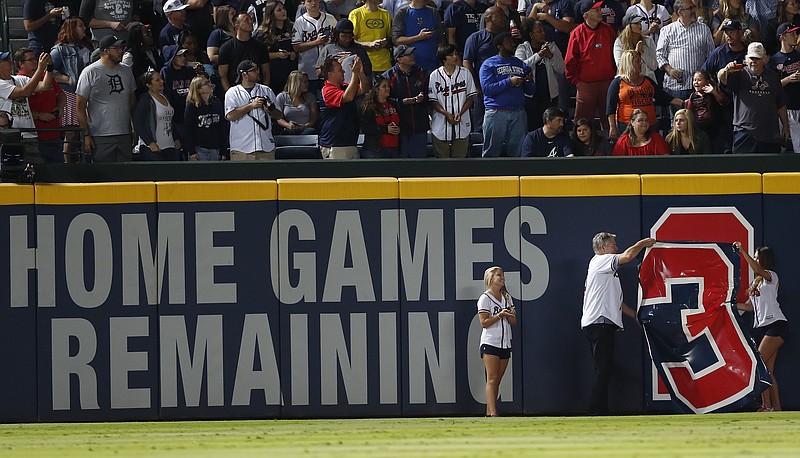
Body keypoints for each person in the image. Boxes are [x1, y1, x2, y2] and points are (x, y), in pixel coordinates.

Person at [581, 232, 655, 415]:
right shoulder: (600, 261)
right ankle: (595, 410)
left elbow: (617, 302)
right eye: (613, 244)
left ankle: (601, 409)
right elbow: (628, 256)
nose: (616, 247)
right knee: (603, 369)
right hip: (600, 322)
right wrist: (644, 242)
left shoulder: (604, 271)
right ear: (603, 248)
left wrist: (633, 315)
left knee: (604, 369)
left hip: (600, 322)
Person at [733, 241, 790, 413]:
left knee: (759, 365)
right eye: (754, 257)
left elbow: (758, 270)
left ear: (764, 260)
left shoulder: (771, 276)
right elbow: (749, 307)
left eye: (757, 258)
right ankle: (776, 410)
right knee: (767, 371)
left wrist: (742, 250)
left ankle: (766, 406)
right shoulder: (756, 282)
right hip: (766, 328)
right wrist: (729, 305)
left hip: (777, 326)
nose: (755, 260)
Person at [718, 42, 790, 154]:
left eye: (757, 58)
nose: (754, 62)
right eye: (751, 58)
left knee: (769, 169)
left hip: (770, 133)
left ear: (764, 59)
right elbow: (722, 79)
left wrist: (785, 126)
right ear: (747, 59)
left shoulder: (773, 77)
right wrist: (726, 70)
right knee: (742, 169)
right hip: (745, 132)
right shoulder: (739, 74)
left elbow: (781, 103)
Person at [76, 35, 136, 162]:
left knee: (126, 175)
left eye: (122, 47)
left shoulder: (126, 71)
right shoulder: (90, 72)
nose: (121, 51)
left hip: (124, 133)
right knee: (104, 175)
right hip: (100, 134)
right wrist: (86, 135)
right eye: (117, 48)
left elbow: (132, 100)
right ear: (106, 51)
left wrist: (132, 128)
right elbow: (80, 107)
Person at [564, 0, 617, 132]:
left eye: (599, 10)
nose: (600, 12)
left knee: (609, 121)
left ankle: (611, 148)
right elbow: (570, 61)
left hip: (608, 83)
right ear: (585, 14)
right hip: (586, 84)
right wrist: (577, 81)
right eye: (596, 10)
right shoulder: (576, 33)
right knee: (583, 122)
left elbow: (616, 55)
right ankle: (581, 149)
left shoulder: (608, 30)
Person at [606, 50, 682, 141]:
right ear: (629, 63)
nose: (640, 63)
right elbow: (610, 107)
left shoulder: (647, 80)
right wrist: (613, 127)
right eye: (637, 61)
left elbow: (663, 97)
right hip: (627, 127)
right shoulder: (617, 83)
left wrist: (683, 103)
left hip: (650, 125)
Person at [656, 0, 715, 117]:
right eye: (690, 8)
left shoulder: (704, 29)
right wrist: (669, 70)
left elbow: (711, 55)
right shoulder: (667, 30)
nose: (694, 10)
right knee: (677, 122)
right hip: (675, 87)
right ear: (680, 12)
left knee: (699, 122)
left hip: (698, 87)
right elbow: (659, 55)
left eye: (694, 7)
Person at [480, 31, 535, 157]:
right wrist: (509, 81)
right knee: (491, 152)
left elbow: (531, 91)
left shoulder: (520, 63)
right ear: (500, 46)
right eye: (508, 41)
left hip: (518, 112)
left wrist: (529, 81)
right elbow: (488, 89)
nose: (513, 43)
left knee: (517, 151)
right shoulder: (489, 64)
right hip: (496, 112)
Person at [0, 50, 54, 165]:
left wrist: (49, 67)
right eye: (5, 60)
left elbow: (45, 86)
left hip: (29, 135)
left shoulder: (19, 80)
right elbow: (24, 92)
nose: (10, 62)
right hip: (10, 137)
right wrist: (40, 69)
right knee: (13, 171)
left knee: (37, 169)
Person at [700, 19, 745, 153]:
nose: (728, 36)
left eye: (732, 32)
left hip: (745, 101)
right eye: (726, 33)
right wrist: (715, 89)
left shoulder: (748, 51)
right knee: (725, 136)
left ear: (740, 33)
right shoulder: (719, 52)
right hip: (725, 102)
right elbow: (704, 72)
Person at [477, 266, 516, 417]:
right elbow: (483, 322)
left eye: (503, 275)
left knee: (498, 380)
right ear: (491, 278)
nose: (502, 278)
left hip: (505, 342)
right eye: (499, 275)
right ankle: (493, 413)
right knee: (492, 378)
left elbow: (514, 321)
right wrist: (499, 315)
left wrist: (509, 315)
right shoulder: (485, 298)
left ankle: (489, 411)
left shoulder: (506, 297)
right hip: (490, 342)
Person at [224, 60, 284, 159]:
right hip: (241, 149)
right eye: (254, 70)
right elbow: (230, 116)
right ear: (244, 74)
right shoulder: (232, 92)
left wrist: (269, 110)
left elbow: (279, 115)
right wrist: (251, 106)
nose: (258, 72)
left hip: (266, 147)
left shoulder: (266, 90)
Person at [51, 16, 90, 162]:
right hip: (70, 93)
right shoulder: (60, 50)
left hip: (85, 92)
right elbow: (49, 72)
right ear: (71, 29)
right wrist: (68, 79)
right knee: (71, 133)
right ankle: (69, 166)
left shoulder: (87, 48)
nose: (84, 28)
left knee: (79, 132)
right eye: (80, 25)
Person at [16, 47, 65, 163]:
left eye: (35, 59)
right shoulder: (18, 82)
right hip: (36, 135)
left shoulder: (45, 76)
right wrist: (38, 115)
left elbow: (60, 94)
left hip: (53, 131)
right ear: (21, 64)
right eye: (31, 60)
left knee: (58, 167)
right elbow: (17, 110)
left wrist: (60, 106)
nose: (35, 62)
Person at [428, 44, 476, 158]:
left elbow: (470, 97)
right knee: (442, 164)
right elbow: (433, 100)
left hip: (462, 122)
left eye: (456, 54)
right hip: (440, 124)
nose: (455, 57)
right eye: (451, 55)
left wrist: (461, 113)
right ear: (443, 58)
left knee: (459, 163)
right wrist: (446, 114)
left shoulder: (465, 73)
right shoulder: (434, 75)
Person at [515, 18, 563, 132]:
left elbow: (562, 68)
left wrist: (550, 56)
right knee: (533, 127)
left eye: (543, 30)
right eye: (539, 31)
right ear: (531, 34)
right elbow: (520, 67)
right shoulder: (522, 48)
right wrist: (539, 55)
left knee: (549, 128)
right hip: (530, 97)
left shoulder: (551, 46)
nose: (543, 33)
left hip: (549, 95)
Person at [382, 45, 429, 158]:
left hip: (419, 126)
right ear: (399, 59)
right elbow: (382, 100)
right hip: (399, 127)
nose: (412, 57)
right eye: (408, 55)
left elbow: (431, 95)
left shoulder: (422, 73)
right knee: (402, 164)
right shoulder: (388, 76)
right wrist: (401, 102)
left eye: (412, 54)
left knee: (419, 164)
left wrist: (423, 97)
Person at [463, 7, 505, 132]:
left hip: (504, 84)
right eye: (500, 15)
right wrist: (475, 84)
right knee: (481, 122)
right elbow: (467, 61)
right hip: (483, 86)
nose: (504, 18)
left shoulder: (506, 37)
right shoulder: (476, 38)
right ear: (489, 18)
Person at [319, 56, 367, 158]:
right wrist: (354, 73)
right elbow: (348, 97)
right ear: (331, 74)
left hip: (350, 142)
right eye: (340, 70)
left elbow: (364, 89)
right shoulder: (327, 91)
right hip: (335, 145)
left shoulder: (344, 86)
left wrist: (360, 74)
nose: (344, 72)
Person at [133, 71, 181, 161]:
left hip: (170, 145)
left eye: (161, 79)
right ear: (149, 85)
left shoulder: (165, 96)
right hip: (153, 148)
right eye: (157, 80)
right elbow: (138, 123)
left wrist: (176, 137)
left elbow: (170, 120)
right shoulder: (146, 100)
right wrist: (150, 143)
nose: (161, 82)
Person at [218, 12, 271, 93]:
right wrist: (230, 93)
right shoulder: (226, 47)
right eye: (246, 20)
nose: (250, 22)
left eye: (251, 19)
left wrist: (264, 90)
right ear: (237, 25)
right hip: (236, 91)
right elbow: (223, 75)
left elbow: (266, 72)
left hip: (258, 90)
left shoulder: (260, 46)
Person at [293, 0, 338, 94]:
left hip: (329, 69)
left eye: (315, 0)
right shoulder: (299, 22)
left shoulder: (330, 19)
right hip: (307, 69)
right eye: (309, 1)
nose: (313, 3)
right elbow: (296, 47)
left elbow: (338, 41)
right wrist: (316, 42)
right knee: (310, 100)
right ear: (303, 3)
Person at [768, 23, 800, 154]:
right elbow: (770, 87)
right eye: (791, 33)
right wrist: (789, 79)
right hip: (782, 109)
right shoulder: (774, 60)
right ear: (782, 37)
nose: (795, 36)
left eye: (795, 33)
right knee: (780, 146)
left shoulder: (798, 55)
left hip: (798, 107)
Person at [255, 1, 298, 95]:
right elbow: (258, 55)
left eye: (284, 9)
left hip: (291, 72)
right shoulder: (263, 32)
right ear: (271, 14)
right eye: (279, 10)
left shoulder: (292, 27)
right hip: (273, 73)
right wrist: (277, 55)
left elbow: (297, 46)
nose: (283, 11)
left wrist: (294, 53)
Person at [183, 75, 228, 161]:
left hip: (216, 149)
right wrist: (191, 152)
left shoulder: (216, 103)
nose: (210, 84)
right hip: (199, 149)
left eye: (209, 82)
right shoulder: (192, 106)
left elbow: (222, 128)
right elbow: (188, 130)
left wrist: (223, 151)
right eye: (206, 83)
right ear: (199, 90)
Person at [391, 0, 443, 73]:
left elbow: (440, 41)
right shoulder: (402, 13)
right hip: (411, 68)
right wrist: (419, 37)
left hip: (433, 66)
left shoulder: (434, 12)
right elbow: (396, 40)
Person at [684, 69, 728, 150]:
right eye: (694, 80)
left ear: (707, 82)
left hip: (715, 129)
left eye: (699, 80)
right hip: (699, 130)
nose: (696, 82)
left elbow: (724, 101)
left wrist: (713, 92)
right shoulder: (692, 96)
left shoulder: (713, 93)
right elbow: (689, 113)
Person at [358, 74, 401, 158]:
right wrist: (386, 129)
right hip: (375, 150)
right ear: (376, 90)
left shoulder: (394, 104)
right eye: (384, 86)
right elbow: (365, 128)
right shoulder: (368, 107)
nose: (388, 88)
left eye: (388, 86)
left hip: (394, 149)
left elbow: (401, 121)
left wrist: (399, 128)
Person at [349, 0, 393, 73]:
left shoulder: (386, 14)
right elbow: (350, 41)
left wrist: (385, 43)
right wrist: (369, 44)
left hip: (385, 65)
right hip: (364, 65)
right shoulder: (356, 14)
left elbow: (391, 38)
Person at [123, 23, 165, 98]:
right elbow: (127, 80)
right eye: (147, 33)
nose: (150, 35)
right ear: (138, 38)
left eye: (150, 31)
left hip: (158, 92)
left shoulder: (153, 50)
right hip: (141, 95)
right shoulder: (130, 56)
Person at [613, 14, 657, 81]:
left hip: (647, 80)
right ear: (628, 26)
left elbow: (654, 66)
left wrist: (641, 54)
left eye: (640, 23)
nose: (640, 25)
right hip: (627, 81)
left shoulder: (648, 40)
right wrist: (635, 53)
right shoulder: (619, 42)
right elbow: (620, 65)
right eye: (636, 23)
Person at [274, 70, 318, 134]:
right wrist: (288, 125)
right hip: (289, 128)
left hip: (306, 128)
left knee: (310, 131)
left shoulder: (310, 96)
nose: (307, 84)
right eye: (305, 82)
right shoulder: (282, 97)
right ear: (297, 83)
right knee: (287, 133)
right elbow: (278, 118)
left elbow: (314, 118)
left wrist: (305, 126)